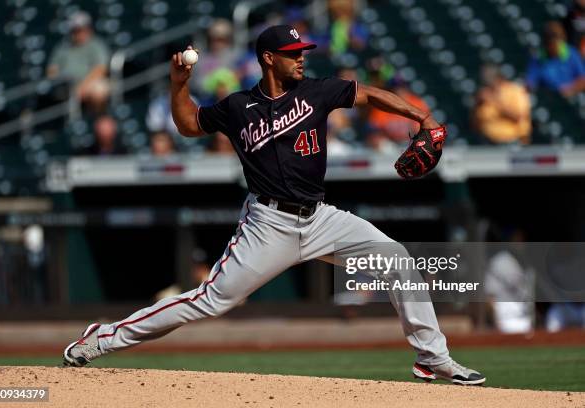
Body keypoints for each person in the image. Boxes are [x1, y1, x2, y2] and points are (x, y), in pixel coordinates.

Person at [63, 25, 485, 386]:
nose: (301, 59)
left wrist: (420, 117)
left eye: (302, 52)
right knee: (211, 300)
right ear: (268, 58)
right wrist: (179, 85)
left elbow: (371, 94)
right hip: (267, 224)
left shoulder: (318, 91)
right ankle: (104, 337)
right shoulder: (237, 107)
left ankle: (432, 356)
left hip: (320, 218)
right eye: (292, 54)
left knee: (398, 258)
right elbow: (189, 125)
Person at [46, 11, 111, 113]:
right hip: (66, 86)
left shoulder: (96, 45)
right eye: (75, 30)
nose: (78, 32)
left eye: (81, 29)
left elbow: (101, 69)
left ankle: (97, 117)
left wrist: (81, 88)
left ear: (88, 29)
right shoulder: (62, 47)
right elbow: (52, 70)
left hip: (88, 85)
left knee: (99, 90)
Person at [472, 64, 532, 145]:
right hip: (487, 142)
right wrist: (477, 105)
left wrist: (494, 101)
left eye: (488, 75)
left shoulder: (515, 90)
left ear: (498, 76)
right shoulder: (484, 93)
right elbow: (475, 123)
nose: (485, 78)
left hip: (511, 141)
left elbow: (518, 116)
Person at [525, 21, 585, 99]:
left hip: (570, 100)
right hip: (547, 100)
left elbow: (583, 80)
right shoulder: (538, 58)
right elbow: (530, 82)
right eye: (550, 43)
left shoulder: (572, 54)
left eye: (556, 42)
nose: (553, 46)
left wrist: (571, 89)